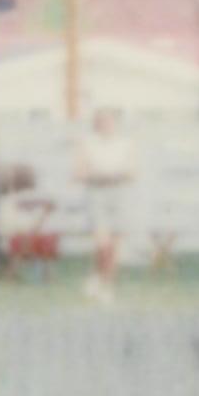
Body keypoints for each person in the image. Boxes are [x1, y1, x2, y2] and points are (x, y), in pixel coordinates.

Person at [76, 105, 137, 302]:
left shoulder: (126, 143)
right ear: (96, 124)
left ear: (116, 123)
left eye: (110, 121)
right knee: (102, 243)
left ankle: (106, 285)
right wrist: (98, 175)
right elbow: (79, 172)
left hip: (120, 194)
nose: (106, 125)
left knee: (114, 244)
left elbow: (132, 172)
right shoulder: (87, 143)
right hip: (96, 194)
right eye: (101, 121)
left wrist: (116, 175)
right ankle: (98, 276)